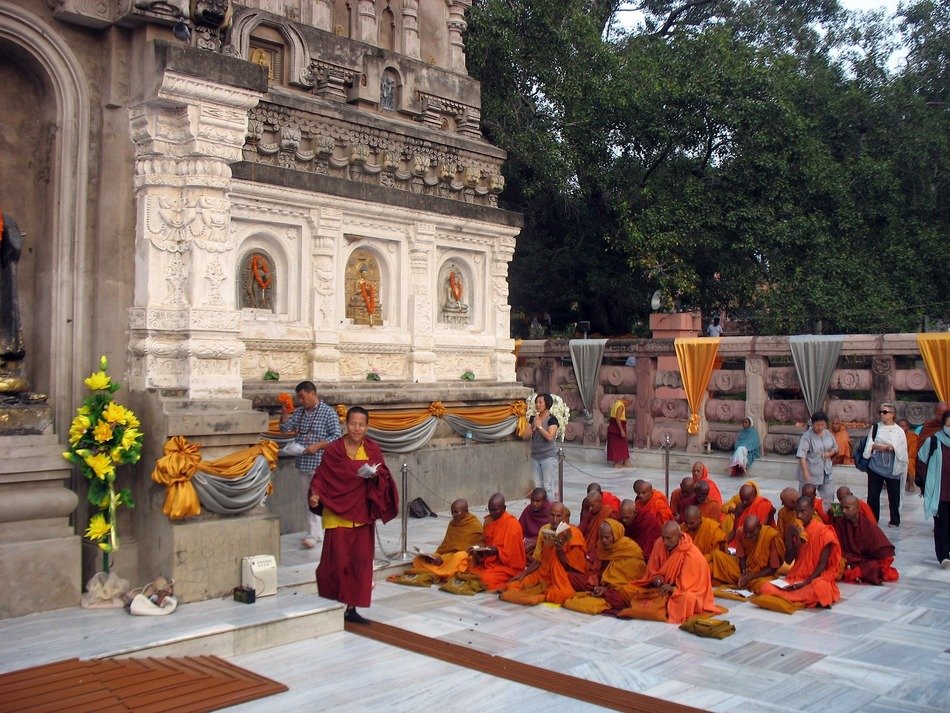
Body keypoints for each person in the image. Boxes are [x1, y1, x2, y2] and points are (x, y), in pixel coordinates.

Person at [309, 406, 399, 623]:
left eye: (361, 425)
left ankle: (351, 608)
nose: (356, 428)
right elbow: (321, 475)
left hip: (361, 514)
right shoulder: (334, 450)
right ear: (345, 424)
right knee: (336, 564)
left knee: (359, 563)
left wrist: (376, 476)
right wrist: (315, 494)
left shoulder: (372, 450)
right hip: (337, 512)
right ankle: (332, 604)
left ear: (367, 426)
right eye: (352, 424)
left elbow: (384, 476)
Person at [617, 522, 725, 623]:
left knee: (687, 599)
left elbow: (690, 588)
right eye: (663, 537)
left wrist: (672, 589)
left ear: (679, 537)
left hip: (679, 593)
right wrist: (658, 580)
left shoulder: (691, 555)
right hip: (660, 588)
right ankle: (653, 607)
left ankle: (652, 607)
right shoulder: (660, 543)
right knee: (626, 589)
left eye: (669, 538)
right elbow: (652, 572)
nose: (665, 542)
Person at [281, 380, 342, 548]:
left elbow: (337, 436)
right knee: (308, 497)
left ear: (313, 394)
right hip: (303, 460)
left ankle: (315, 533)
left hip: (321, 462)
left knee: (316, 497)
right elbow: (285, 428)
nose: (301, 401)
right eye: (299, 398)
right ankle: (316, 531)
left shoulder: (327, 412)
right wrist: (285, 411)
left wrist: (319, 445)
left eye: (303, 397)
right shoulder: (300, 413)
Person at [757, 496, 842, 609]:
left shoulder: (823, 532)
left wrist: (805, 583)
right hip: (795, 578)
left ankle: (790, 596)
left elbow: (822, 565)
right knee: (765, 587)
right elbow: (788, 560)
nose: (799, 515)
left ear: (812, 510)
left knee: (820, 588)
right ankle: (794, 596)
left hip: (814, 579)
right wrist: (790, 536)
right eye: (797, 511)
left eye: (803, 511)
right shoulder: (795, 529)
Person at [502, 501, 587, 606]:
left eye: (558, 516)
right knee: (513, 585)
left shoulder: (574, 534)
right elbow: (538, 559)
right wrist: (524, 573)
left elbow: (571, 567)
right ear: (548, 514)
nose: (555, 519)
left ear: (564, 516)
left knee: (561, 594)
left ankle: (540, 596)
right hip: (542, 574)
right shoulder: (545, 530)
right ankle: (538, 594)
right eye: (552, 515)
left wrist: (559, 550)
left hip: (560, 575)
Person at [398, 499, 483, 583]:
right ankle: (439, 574)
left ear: (466, 511)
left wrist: (443, 559)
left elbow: (470, 550)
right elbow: (445, 547)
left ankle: (435, 573)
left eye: (456, 512)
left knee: (459, 556)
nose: (454, 515)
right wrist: (434, 557)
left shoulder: (474, 525)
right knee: (417, 560)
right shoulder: (452, 524)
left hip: (456, 558)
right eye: (452, 512)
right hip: (445, 559)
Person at [833, 495, 898, 585]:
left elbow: (885, 553)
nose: (844, 511)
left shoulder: (870, 527)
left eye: (847, 508)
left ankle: (859, 573)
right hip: (850, 560)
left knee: (873, 567)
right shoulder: (840, 523)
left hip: (866, 561)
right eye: (842, 508)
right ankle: (859, 574)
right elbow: (837, 547)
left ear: (857, 508)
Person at [709, 515, 784, 592]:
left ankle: (742, 581)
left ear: (759, 528)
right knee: (717, 554)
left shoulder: (770, 536)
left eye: (752, 532)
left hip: (763, 574)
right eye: (746, 532)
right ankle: (742, 581)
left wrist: (750, 577)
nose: (748, 535)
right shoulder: (740, 532)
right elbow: (742, 558)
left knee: (765, 585)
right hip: (746, 569)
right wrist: (744, 573)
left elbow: (773, 568)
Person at [468, 493, 527, 590]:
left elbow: (513, 555)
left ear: (504, 507)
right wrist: (480, 550)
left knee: (485, 579)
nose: (492, 513)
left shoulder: (512, 525)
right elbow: (486, 542)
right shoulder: (489, 521)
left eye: (495, 510)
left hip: (507, 566)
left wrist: (497, 551)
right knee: (470, 569)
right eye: (490, 509)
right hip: (490, 561)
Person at [863, 402, 908, 527]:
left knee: (894, 495)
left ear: (892, 414)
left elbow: (901, 447)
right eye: (881, 412)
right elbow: (870, 444)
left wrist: (889, 447)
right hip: (875, 465)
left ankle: (894, 519)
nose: (882, 414)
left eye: (885, 412)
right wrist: (881, 446)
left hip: (893, 467)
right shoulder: (876, 427)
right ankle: (872, 519)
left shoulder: (899, 431)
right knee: (873, 494)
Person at [915, 409, 950, 567]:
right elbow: (921, 461)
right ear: (943, 425)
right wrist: (924, 483)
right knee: (941, 524)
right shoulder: (933, 441)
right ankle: (943, 556)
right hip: (940, 491)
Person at [522, 394, 559, 500]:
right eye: (536, 402)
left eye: (540, 402)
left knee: (547, 486)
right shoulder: (533, 418)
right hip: (535, 456)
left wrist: (540, 427)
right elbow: (524, 435)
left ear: (547, 404)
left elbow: (550, 437)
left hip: (548, 457)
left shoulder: (552, 420)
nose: (537, 405)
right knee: (537, 487)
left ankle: (550, 510)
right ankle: (539, 510)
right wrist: (533, 425)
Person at [796, 411, 837, 500]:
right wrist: (806, 476)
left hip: (826, 472)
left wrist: (829, 454)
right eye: (817, 425)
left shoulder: (828, 434)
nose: (820, 427)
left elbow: (835, 447)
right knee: (806, 499)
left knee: (829, 496)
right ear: (812, 423)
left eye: (822, 425)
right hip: (811, 473)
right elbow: (801, 456)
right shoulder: (807, 436)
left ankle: (828, 513)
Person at [518, 488, 551, 558]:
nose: (534, 504)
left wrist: (536, 541)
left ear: (544, 501)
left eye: (538, 501)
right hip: (527, 540)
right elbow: (519, 529)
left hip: (542, 542)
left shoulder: (551, 512)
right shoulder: (528, 510)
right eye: (532, 500)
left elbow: (551, 536)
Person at [606, 397, 632, 468]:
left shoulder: (616, 403)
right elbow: (617, 418)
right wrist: (621, 430)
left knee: (621, 445)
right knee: (619, 445)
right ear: (626, 401)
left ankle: (625, 462)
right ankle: (618, 463)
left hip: (613, 427)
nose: (628, 406)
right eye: (629, 404)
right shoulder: (620, 406)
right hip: (617, 428)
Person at [899, 419, 920, 492]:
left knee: (910, 463)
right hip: (897, 456)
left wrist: (904, 457)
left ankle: (911, 484)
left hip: (909, 457)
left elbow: (913, 451)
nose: (901, 428)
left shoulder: (913, 436)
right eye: (900, 426)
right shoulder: (895, 435)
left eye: (903, 426)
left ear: (907, 427)